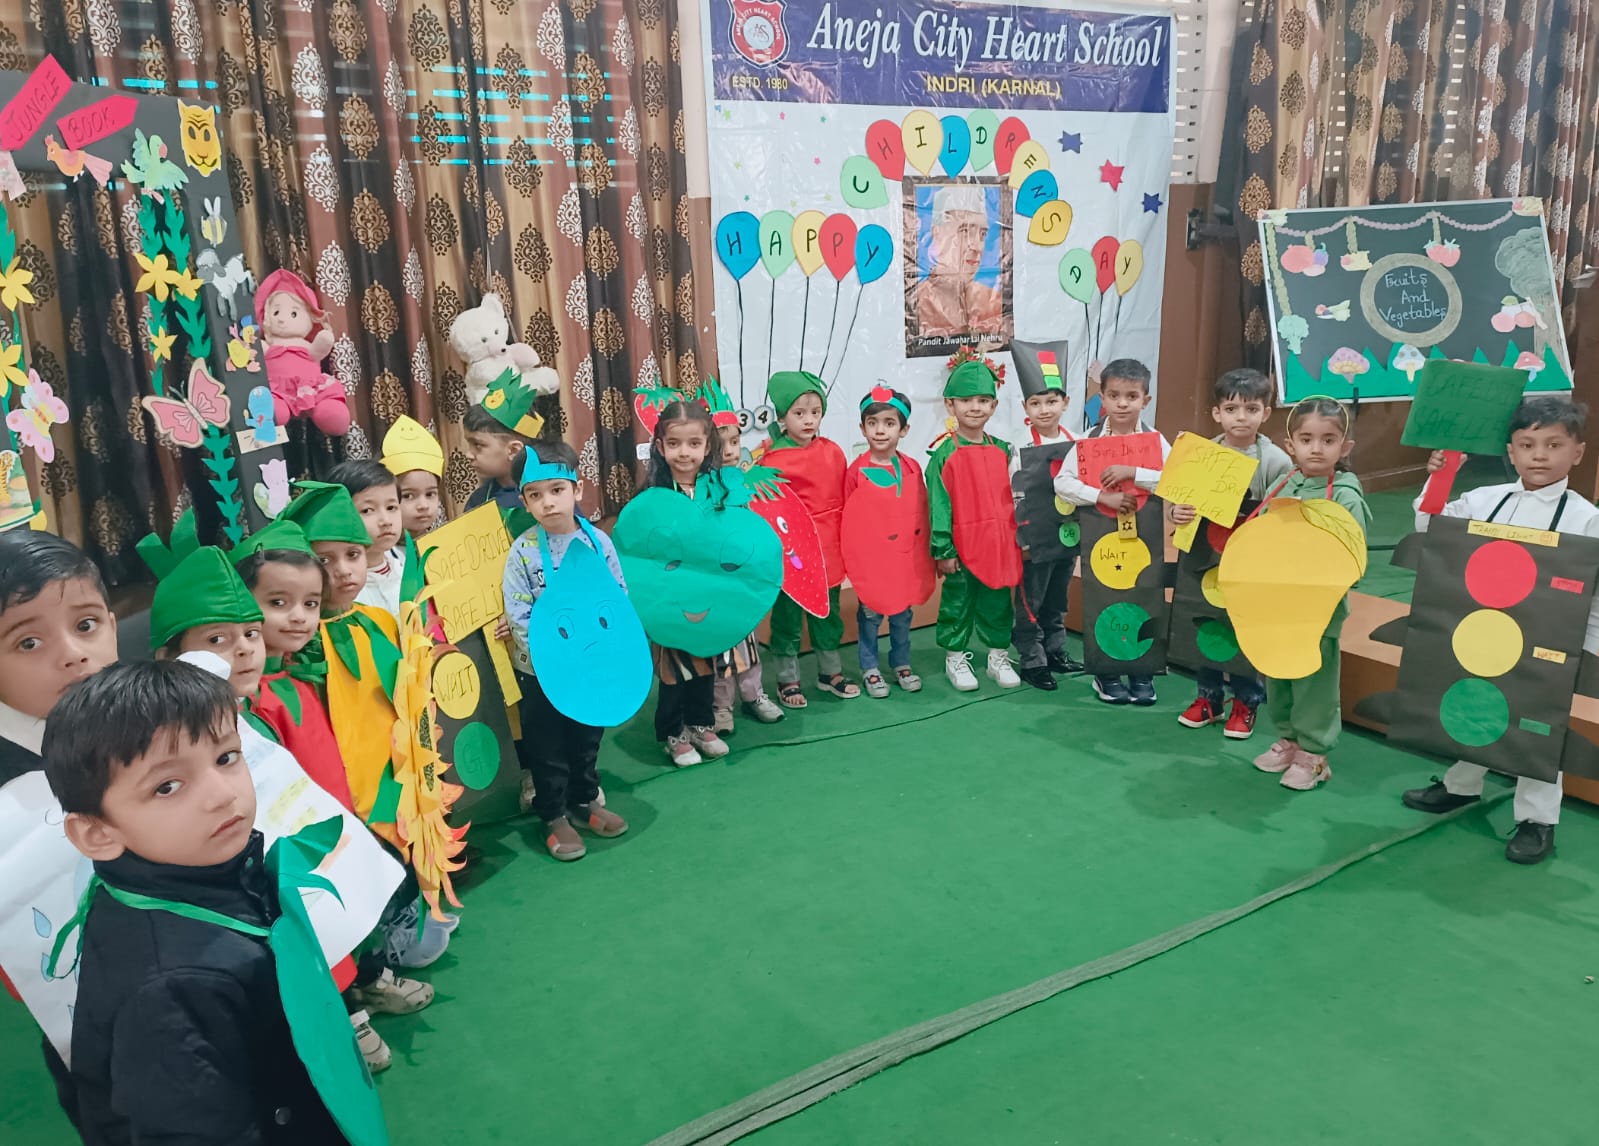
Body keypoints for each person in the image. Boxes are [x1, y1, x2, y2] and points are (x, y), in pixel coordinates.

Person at [41, 660, 368, 1144]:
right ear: (97, 833)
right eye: (167, 786)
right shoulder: (168, 988)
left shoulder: (176, 877)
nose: (222, 794)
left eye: (226, 757)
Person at [1401, 395, 1598, 863]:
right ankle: (1461, 785)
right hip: (1483, 630)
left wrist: (1585, 651)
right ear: (1511, 452)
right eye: (1527, 445)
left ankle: (1537, 819)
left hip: (1548, 644)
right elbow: (1431, 527)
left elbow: (1593, 597)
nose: (1539, 456)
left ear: (1578, 453)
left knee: (1538, 727)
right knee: (1476, 702)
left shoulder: (1587, 519)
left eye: (1554, 445)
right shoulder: (1485, 501)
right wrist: (1441, 475)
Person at [0, 530, 118, 1130]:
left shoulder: (146, 717)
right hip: (82, 1002)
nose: (73, 654)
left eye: (87, 624)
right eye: (29, 641)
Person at [502, 441, 630, 861]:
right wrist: (551, 657)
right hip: (541, 672)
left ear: (577, 489)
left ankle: (585, 800)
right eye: (535, 495)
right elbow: (518, 611)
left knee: (586, 736)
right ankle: (554, 814)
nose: (548, 502)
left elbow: (617, 597)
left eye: (557, 490)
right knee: (548, 743)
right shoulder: (522, 552)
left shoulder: (599, 544)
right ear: (524, 502)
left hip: (591, 667)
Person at [1250, 397, 1371, 792]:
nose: (1316, 449)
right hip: (1278, 605)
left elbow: (1352, 557)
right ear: (1291, 445)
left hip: (1319, 611)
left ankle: (1314, 753)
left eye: (1328, 440)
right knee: (1279, 674)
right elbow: (1260, 536)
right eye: (1306, 439)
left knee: (1313, 683)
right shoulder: (1282, 484)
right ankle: (1288, 740)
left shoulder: (1345, 495)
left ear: (1345, 447)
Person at [1169, 368, 1292, 736]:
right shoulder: (1202, 454)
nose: (1241, 417)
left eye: (1251, 409)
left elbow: (1282, 515)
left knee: (1243, 629)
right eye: (1232, 409)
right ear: (1217, 413)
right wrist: (1178, 513)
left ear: (1265, 413)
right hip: (1204, 559)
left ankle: (1246, 701)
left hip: (1249, 559)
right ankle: (1208, 698)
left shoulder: (1275, 461)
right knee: (1206, 623)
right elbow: (1180, 504)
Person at [1054, 358, 1171, 705]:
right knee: (1103, 597)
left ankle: (1142, 671)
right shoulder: (1087, 441)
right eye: (1114, 395)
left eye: (1131, 396)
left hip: (1144, 535)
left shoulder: (1154, 441)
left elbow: (1175, 478)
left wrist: (1134, 472)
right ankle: (1106, 673)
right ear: (1102, 398)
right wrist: (1101, 496)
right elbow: (1063, 483)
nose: (1122, 404)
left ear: (1145, 400)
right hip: (1102, 534)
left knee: (1144, 595)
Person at [757, 370, 859, 706]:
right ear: (782, 417)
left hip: (828, 547)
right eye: (799, 413)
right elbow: (769, 511)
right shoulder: (772, 460)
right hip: (792, 551)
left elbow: (845, 500)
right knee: (787, 614)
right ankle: (787, 678)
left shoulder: (833, 452)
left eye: (815, 412)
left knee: (827, 612)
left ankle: (830, 673)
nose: (808, 420)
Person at [644, 399, 733, 765]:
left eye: (694, 443)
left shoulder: (718, 492)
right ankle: (672, 731)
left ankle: (700, 722)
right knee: (673, 669)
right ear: (660, 446)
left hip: (706, 594)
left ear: (707, 446)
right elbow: (644, 548)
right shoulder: (653, 497)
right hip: (671, 598)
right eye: (674, 443)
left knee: (704, 661)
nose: (684, 452)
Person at [927, 355, 1023, 692]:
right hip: (961, 547)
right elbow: (939, 505)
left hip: (998, 544)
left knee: (998, 601)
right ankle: (955, 657)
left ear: (994, 406)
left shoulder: (1004, 451)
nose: (975, 407)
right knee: (958, 602)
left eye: (983, 400)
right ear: (950, 405)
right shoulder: (944, 455)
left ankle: (998, 656)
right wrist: (943, 549)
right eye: (966, 400)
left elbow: (1017, 498)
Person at [1008, 357, 1083, 691]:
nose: (1044, 410)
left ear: (1065, 403)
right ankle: (1032, 659)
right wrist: (1022, 538)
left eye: (1051, 401)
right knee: (1031, 600)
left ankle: (1054, 651)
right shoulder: (1018, 447)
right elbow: (1014, 495)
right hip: (1034, 537)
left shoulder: (1078, 442)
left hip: (1068, 532)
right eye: (1036, 403)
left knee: (1058, 597)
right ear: (1025, 407)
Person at [708, 402, 784, 731]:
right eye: (720, 443)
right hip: (716, 580)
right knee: (721, 645)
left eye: (735, 442)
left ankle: (754, 695)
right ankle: (721, 705)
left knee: (747, 640)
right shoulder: (702, 487)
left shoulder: (746, 481)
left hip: (745, 579)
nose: (729, 451)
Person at [845, 386, 925, 697]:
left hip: (903, 560)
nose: (880, 430)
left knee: (902, 616)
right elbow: (849, 521)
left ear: (903, 430)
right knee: (870, 616)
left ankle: (901, 663)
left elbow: (919, 515)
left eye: (889, 423)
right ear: (862, 428)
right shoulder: (857, 471)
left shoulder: (911, 467)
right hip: (873, 564)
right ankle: (870, 668)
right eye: (873, 423)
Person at [330, 458, 408, 625]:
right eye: (367, 510)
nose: (386, 521)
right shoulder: (343, 587)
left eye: (391, 508)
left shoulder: (405, 567)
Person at [464, 368, 544, 515]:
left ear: (513, 450)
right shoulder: (478, 501)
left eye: (478, 445)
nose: (468, 454)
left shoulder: (549, 497)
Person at [381, 415, 445, 539]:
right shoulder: (381, 550)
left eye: (430, 494)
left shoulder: (446, 544)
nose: (423, 505)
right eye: (408, 496)